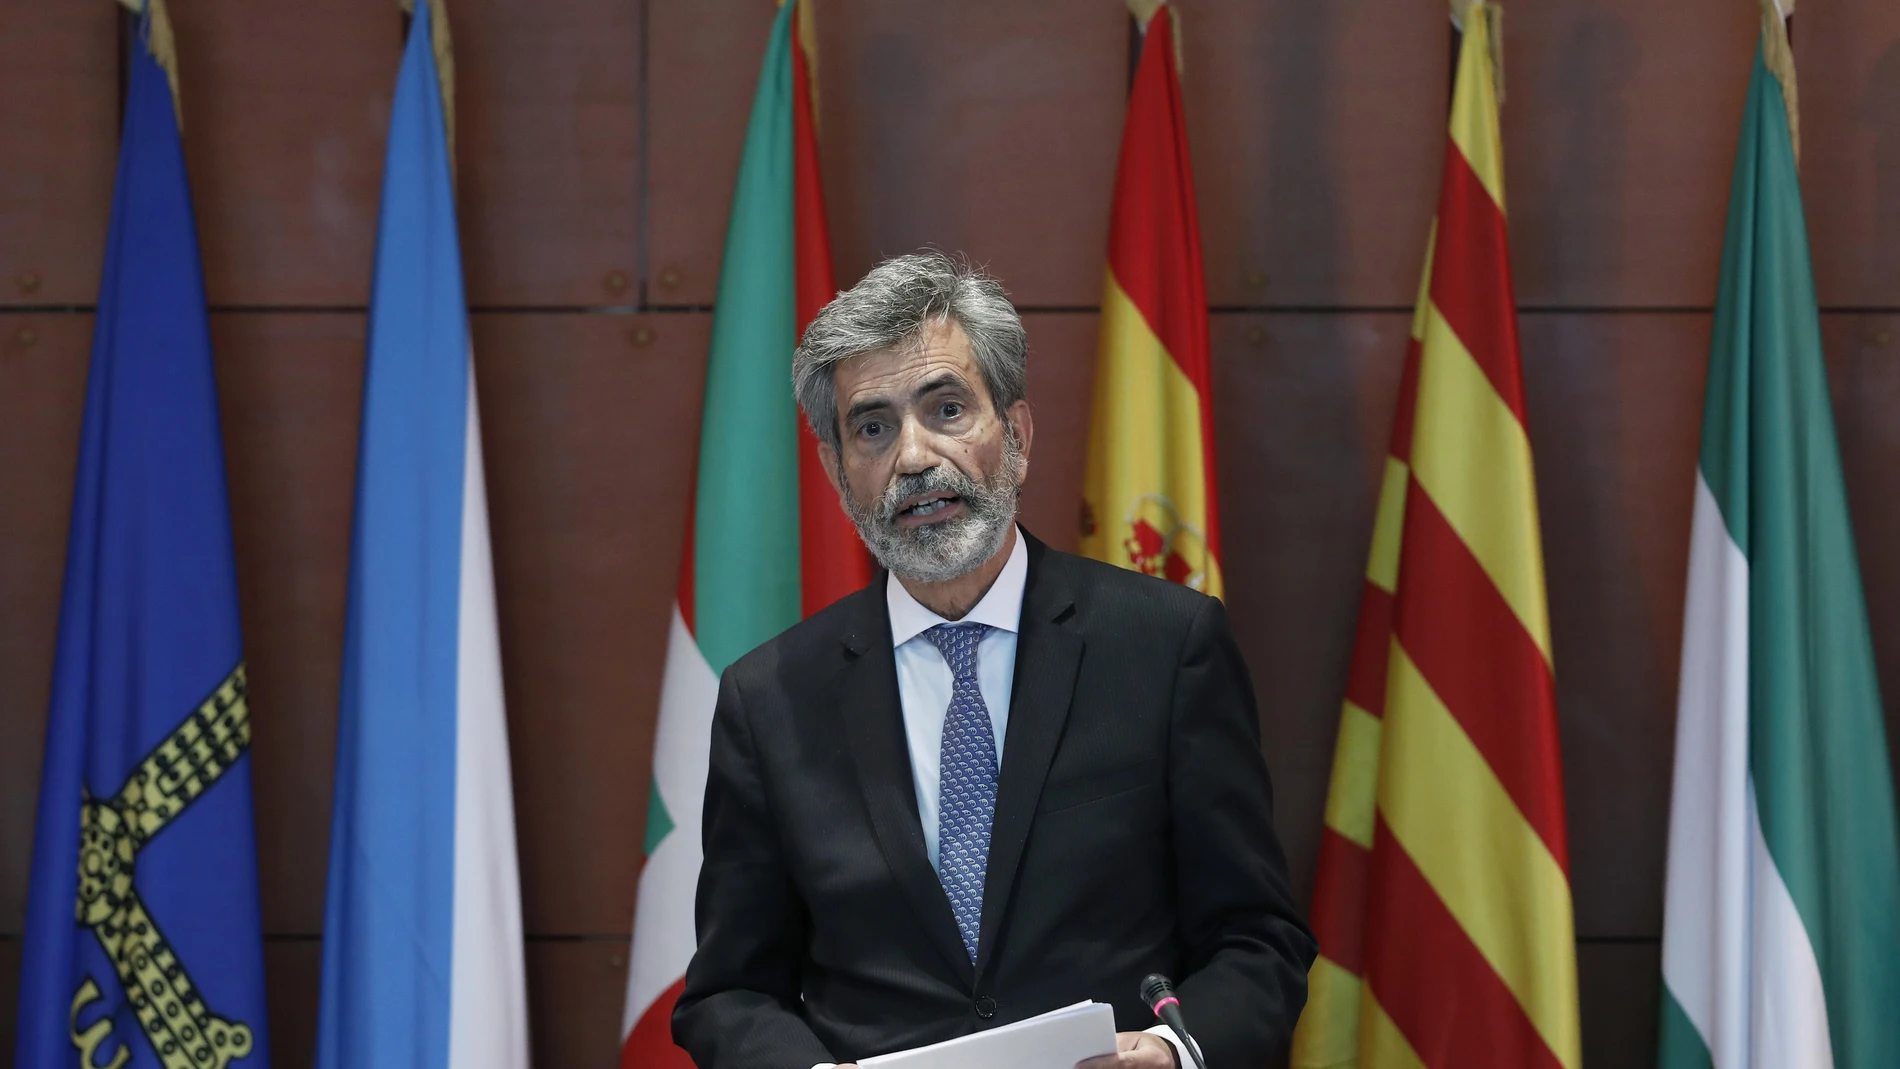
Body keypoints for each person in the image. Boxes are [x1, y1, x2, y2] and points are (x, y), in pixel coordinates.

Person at [672, 252, 1315, 1069]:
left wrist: (1171, 1049)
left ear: (1015, 435)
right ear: (839, 473)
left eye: (946, 409)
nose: (913, 456)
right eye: (873, 427)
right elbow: (731, 992)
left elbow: (1259, 938)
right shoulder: (770, 699)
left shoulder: (1164, 647)